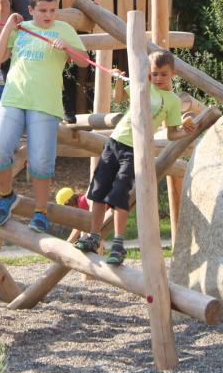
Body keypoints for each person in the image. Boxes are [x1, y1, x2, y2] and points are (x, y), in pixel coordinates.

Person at [75, 51, 193, 264]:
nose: (158, 78)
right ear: (149, 73)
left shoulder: (173, 101)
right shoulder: (142, 85)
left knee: (119, 194)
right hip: (115, 142)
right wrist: (118, 80)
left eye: (163, 74)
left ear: (173, 74)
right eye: (154, 73)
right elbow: (118, 98)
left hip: (134, 149)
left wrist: (185, 131)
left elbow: (171, 133)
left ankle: (118, 244)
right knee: (98, 191)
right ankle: (94, 237)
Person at [0, 0, 88, 233]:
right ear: (30, 10)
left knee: (41, 162)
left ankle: (40, 212)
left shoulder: (64, 29)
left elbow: (84, 62)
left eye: (53, 10)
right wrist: (8, 26)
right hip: (13, 99)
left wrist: (67, 48)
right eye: (43, 10)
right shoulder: (21, 28)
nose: (48, 15)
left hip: (45, 103)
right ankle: (6, 195)